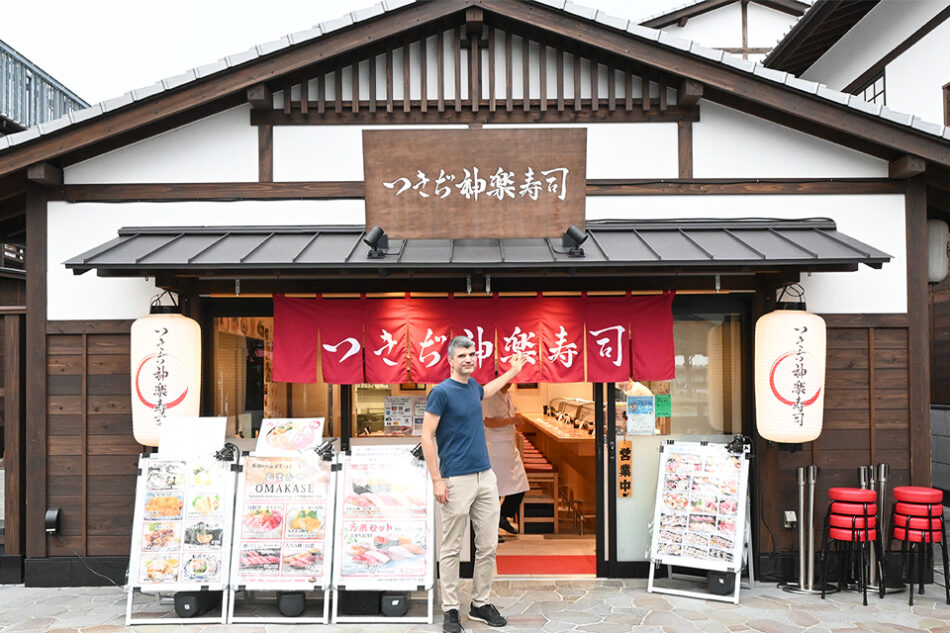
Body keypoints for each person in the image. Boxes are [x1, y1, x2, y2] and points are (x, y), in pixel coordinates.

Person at [421, 336, 526, 633]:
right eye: (463, 355)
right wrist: (437, 480)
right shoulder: (441, 393)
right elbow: (426, 436)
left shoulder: (472, 388)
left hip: (485, 477)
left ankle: (480, 603)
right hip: (456, 479)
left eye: (472, 354)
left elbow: (489, 389)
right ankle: (451, 609)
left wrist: (513, 371)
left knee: (488, 545)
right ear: (451, 360)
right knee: (452, 548)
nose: (469, 358)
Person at [482, 383, 529, 537]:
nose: (511, 382)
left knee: (520, 485)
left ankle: (502, 516)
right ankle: (491, 531)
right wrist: (512, 421)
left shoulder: (508, 394)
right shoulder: (489, 395)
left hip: (509, 447)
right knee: (494, 490)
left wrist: (513, 420)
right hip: (495, 448)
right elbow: (488, 421)